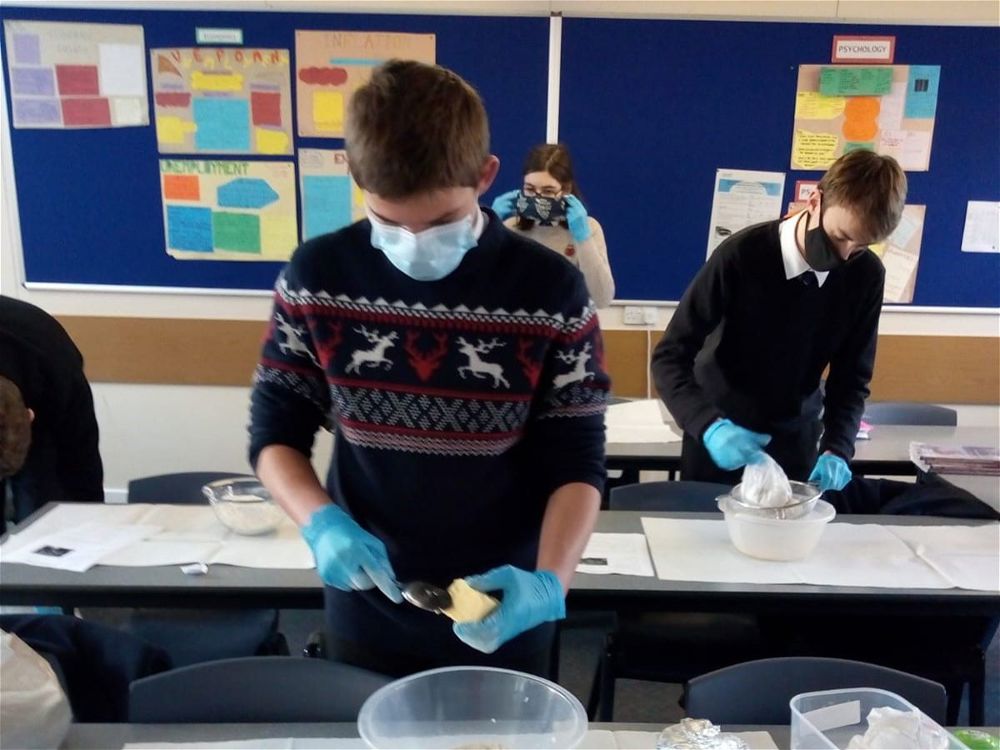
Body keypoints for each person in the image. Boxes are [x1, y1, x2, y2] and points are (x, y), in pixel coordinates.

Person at [249, 60, 609, 678]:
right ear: (357, 178)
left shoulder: (550, 289)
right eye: (390, 222)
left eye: (440, 223)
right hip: (368, 603)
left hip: (504, 598)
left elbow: (576, 461)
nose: (414, 243)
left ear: (486, 175)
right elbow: (276, 432)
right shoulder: (318, 276)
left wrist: (551, 582)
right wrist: (320, 520)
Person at [651, 150, 907, 491]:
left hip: (796, 442)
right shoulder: (741, 256)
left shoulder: (866, 276)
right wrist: (709, 426)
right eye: (841, 237)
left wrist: (837, 448)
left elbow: (851, 379)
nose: (846, 256)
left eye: (862, 246)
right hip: (720, 434)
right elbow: (670, 357)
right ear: (815, 200)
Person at [0, 296, 103, 533]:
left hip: (47, 385)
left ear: (29, 416)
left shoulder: (55, 364)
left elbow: (81, 472)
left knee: (49, 516)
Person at [491, 143, 615, 307]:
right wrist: (490, 226)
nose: (538, 198)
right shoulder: (510, 228)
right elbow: (477, 287)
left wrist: (583, 240)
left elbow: (602, 299)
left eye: (548, 191)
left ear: (566, 190)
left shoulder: (589, 229)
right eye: (530, 189)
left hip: (568, 327)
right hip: (518, 327)